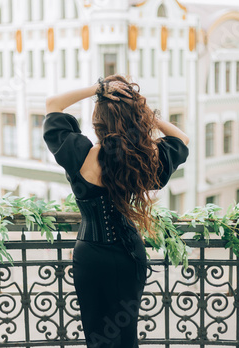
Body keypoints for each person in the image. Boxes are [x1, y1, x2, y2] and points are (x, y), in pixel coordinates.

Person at [43, 75, 189, 347]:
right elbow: (181, 138)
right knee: (125, 333)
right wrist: (143, 114)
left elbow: (53, 104)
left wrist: (97, 88)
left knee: (97, 334)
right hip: (128, 254)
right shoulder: (143, 158)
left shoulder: (80, 154)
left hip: (90, 256)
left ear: (98, 121)